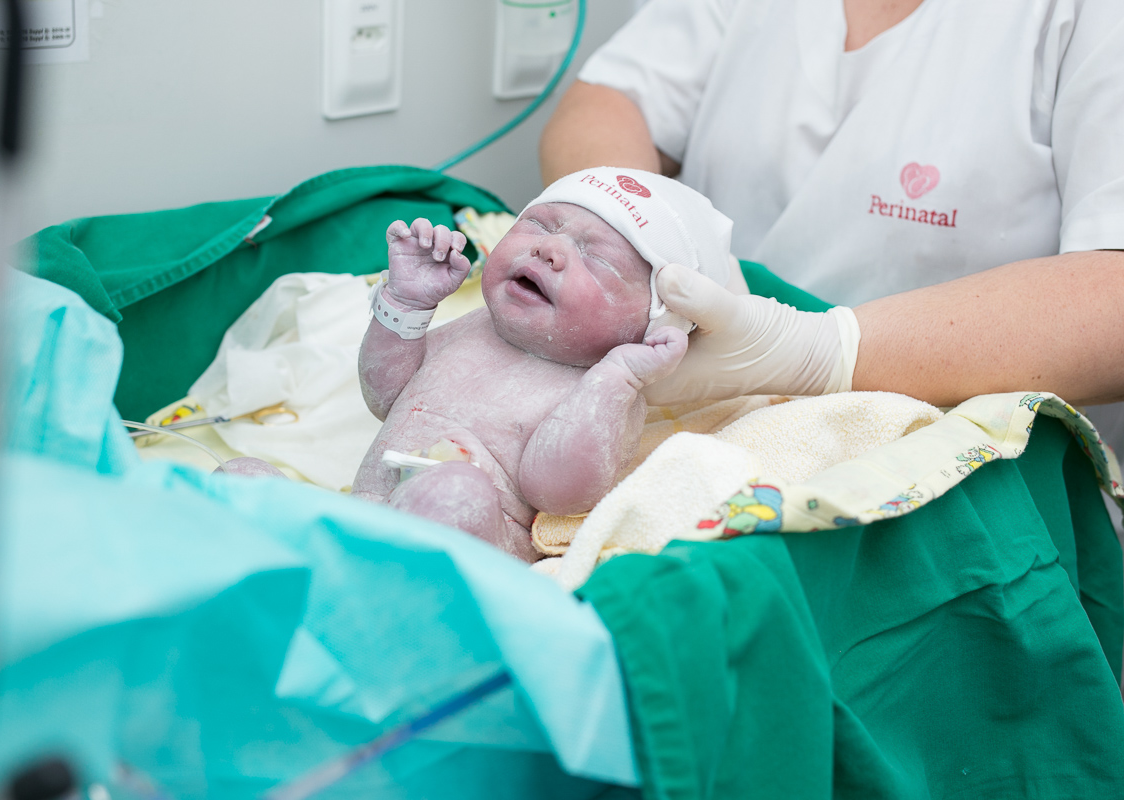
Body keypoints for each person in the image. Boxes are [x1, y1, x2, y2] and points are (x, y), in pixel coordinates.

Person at [539, 0, 1124, 410]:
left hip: (964, 458)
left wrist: (818, 354)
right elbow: (611, 102)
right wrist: (631, 251)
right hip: (709, 405)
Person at [351, 168, 752, 560]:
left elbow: (556, 493)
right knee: (283, 492)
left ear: (652, 325)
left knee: (456, 494)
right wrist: (406, 304)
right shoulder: (475, 327)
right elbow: (387, 397)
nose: (549, 249)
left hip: (475, 544)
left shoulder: (603, 388)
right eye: (540, 226)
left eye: (598, 259)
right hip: (360, 517)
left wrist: (617, 378)